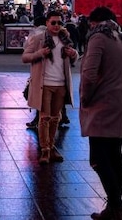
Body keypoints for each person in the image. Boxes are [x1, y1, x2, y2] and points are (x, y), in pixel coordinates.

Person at [80, 6, 122, 220]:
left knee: (99, 159)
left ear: (95, 22)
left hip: (101, 107)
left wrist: (85, 98)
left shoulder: (98, 39)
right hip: (120, 104)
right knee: (114, 156)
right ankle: (113, 208)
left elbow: (89, 74)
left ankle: (117, 207)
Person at [22, 10, 78, 164]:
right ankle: (45, 149)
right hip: (44, 84)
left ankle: (52, 147)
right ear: (47, 23)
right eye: (53, 22)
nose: (56, 26)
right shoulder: (39, 38)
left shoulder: (65, 38)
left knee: (55, 118)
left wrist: (73, 54)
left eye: (59, 23)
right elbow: (25, 57)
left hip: (61, 84)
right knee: (44, 117)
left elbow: (73, 58)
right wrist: (40, 53)